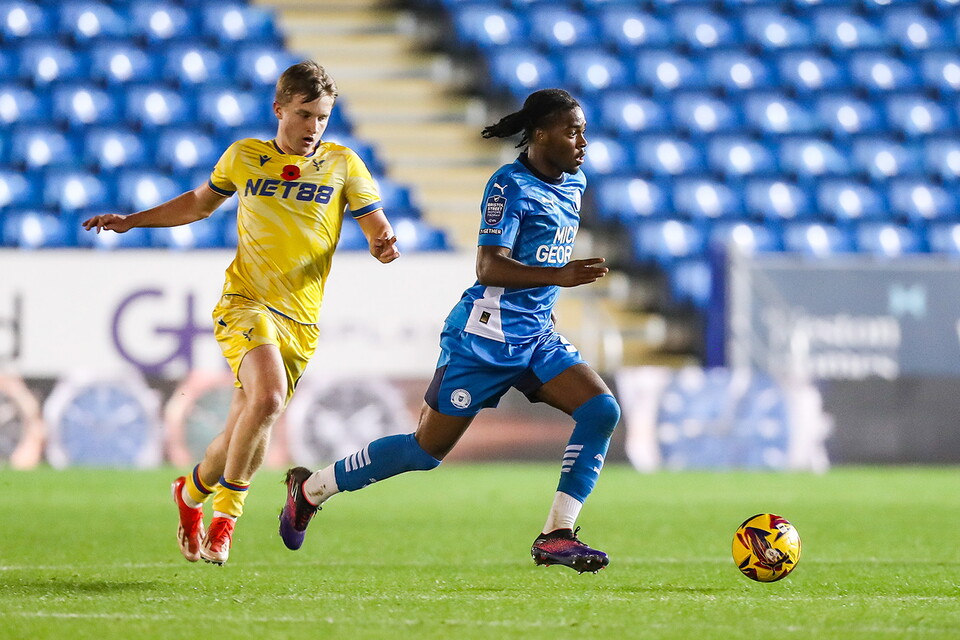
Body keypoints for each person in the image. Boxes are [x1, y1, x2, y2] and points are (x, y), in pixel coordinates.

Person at [278, 88, 621, 573]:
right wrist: (558, 276)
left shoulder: (575, 182)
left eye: (583, 133)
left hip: (536, 337)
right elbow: (489, 267)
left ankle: (556, 534)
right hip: (483, 340)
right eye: (573, 132)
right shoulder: (509, 186)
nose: (583, 143)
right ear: (541, 134)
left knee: (601, 409)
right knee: (424, 451)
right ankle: (311, 488)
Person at [82, 61, 401, 565]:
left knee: (238, 436)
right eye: (304, 115)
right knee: (269, 399)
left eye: (322, 117)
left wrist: (382, 244)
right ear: (279, 109)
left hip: (301, 322)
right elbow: (198, 204)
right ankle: (226, 519)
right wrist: (132, 221)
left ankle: (190, 493)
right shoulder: (245, 156)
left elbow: (375, 226)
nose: (314, 127)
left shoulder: (343, 163)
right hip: (245, 302)